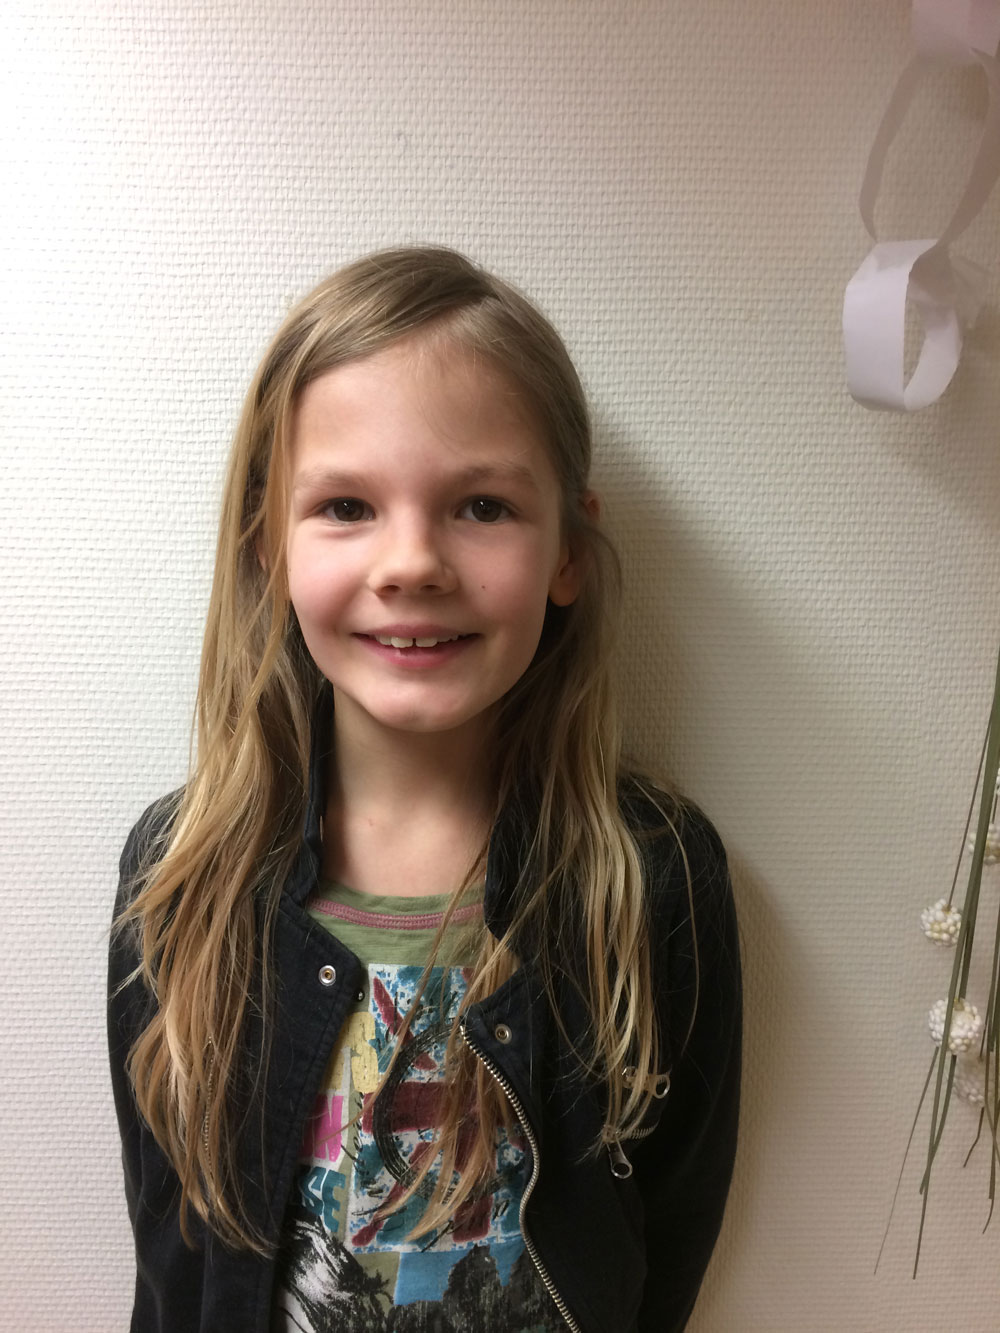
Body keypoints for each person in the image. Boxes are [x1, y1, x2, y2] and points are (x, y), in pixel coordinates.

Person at [108, 245, 741, 1333]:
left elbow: (665, 1240)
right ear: (267, 544)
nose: (411, 562)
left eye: (482, 506)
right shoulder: (180, 875)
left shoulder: (656, 875)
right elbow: (173, 1261)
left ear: (567, 550)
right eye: (346, 505)